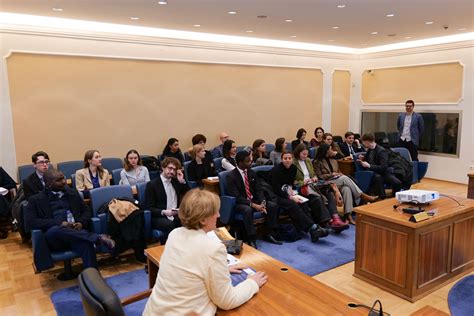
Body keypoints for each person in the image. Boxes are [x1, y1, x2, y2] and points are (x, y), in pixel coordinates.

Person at [143, 189, 267, 316]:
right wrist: (252, 283)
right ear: (203, 219)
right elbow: (227, 301)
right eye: (215, 212)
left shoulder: (175, 234)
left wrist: (220, 269)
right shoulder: (213, 248)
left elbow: (189, 267)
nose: (218, 215)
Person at [25, 169, 115, 270]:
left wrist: (81, 222)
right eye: (59, 180)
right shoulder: (36, 199)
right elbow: (31, 221)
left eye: (63, 178)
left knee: (86, 244)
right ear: (49, 184)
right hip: (54, 239)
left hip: (75, 233)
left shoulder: (72, 193)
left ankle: (93, 276)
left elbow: (87, 211)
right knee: (56, 229)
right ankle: (97, 237)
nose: (64, 181)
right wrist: (59, 223)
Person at [226, 150, 282, 248]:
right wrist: (253, 205)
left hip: (255, 200)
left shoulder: (252, 172)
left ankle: (268, 233)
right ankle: (251, 238)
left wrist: (262, 202)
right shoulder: (231, 176)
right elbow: (237, 197)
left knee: (272, 206)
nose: (250, 162)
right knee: (247, 210)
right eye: (247, 161)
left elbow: (258, 190)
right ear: (240, 162)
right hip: (240, 203)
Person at [271, 152, 330, 242]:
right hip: (276, 195)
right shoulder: (276, 170)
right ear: (282, 159)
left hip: (288, 192)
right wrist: (290, 197)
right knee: (293, 204)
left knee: (303, 202)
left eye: (289, 158)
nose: (287, 160)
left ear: (292, 159)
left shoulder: (293, 168)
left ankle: (311, 230)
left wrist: (293, 193)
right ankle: (313, 227)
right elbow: (276, 189)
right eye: (285, 158)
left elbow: (290, 184)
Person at [313, 144, 378, 225]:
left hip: (337, 181)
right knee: (344, 178)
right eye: (330, 149)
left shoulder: (333, 160)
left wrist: (338, 174)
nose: (332, 150)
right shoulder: (317, 162)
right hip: (326, 183)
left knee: (346, 188)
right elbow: (320, 177)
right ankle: (362, 195)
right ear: (325, 151)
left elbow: (339, 170)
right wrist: (332, 174)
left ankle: (348, 215)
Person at [293, 144, 348, 231]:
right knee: (317, 198)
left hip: (314, 184)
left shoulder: (307, 160)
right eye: (303, 154)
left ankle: (336, 218)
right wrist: (303, 182)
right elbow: (292, 181)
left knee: (329, 192)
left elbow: (313, 173)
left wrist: (314, 177)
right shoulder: (293, 162)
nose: (305, 156)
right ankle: (329, 221)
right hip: (303, 187)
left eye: (306, 154)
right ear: (298, 153)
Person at [145, 157, 189, 240]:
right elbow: (149, 207)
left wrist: (182, 181)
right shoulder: (152, 185)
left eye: (174, 170)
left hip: (175, 214)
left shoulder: (176, 181)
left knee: (190, 219)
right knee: (170, 225)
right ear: (163, 167)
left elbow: (189, 194)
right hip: (160, 216)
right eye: (170, 168)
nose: (172, 171)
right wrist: (164, 212)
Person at [359, 134, 412, 199]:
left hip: (383, 172)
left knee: (397, 183)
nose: (363, 144)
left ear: (367, 142)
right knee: (378, 177)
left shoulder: (381, 151)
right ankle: (382, 198)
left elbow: (383, 167)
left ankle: (394, 198)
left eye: (364, 142)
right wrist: (363, 159)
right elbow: (370, 160)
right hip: (374, 172)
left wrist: (369, 165)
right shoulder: (370, 150)